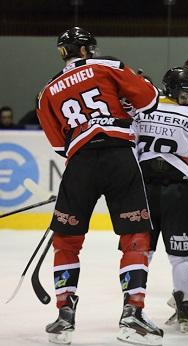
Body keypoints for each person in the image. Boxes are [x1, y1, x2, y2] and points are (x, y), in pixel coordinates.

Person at [36, 27, 162, 346]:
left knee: (67, 238)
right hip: (119, 156)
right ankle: (132, 312)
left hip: (80, 164)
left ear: (63, 53)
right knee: (135, 235)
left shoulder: (48, 91)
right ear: (89, 49)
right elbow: (149, 100)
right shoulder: (108, 66)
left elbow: (58, 144)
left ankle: (64, 313)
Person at [133, 67, 188, 333]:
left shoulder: (142, 110)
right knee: (180, 254)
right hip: (177, 191)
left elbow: (132, 145)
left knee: (140, 251)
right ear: (175, 90)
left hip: (145, 190)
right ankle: (186, 306)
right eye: (186, 91)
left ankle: (132, 306)